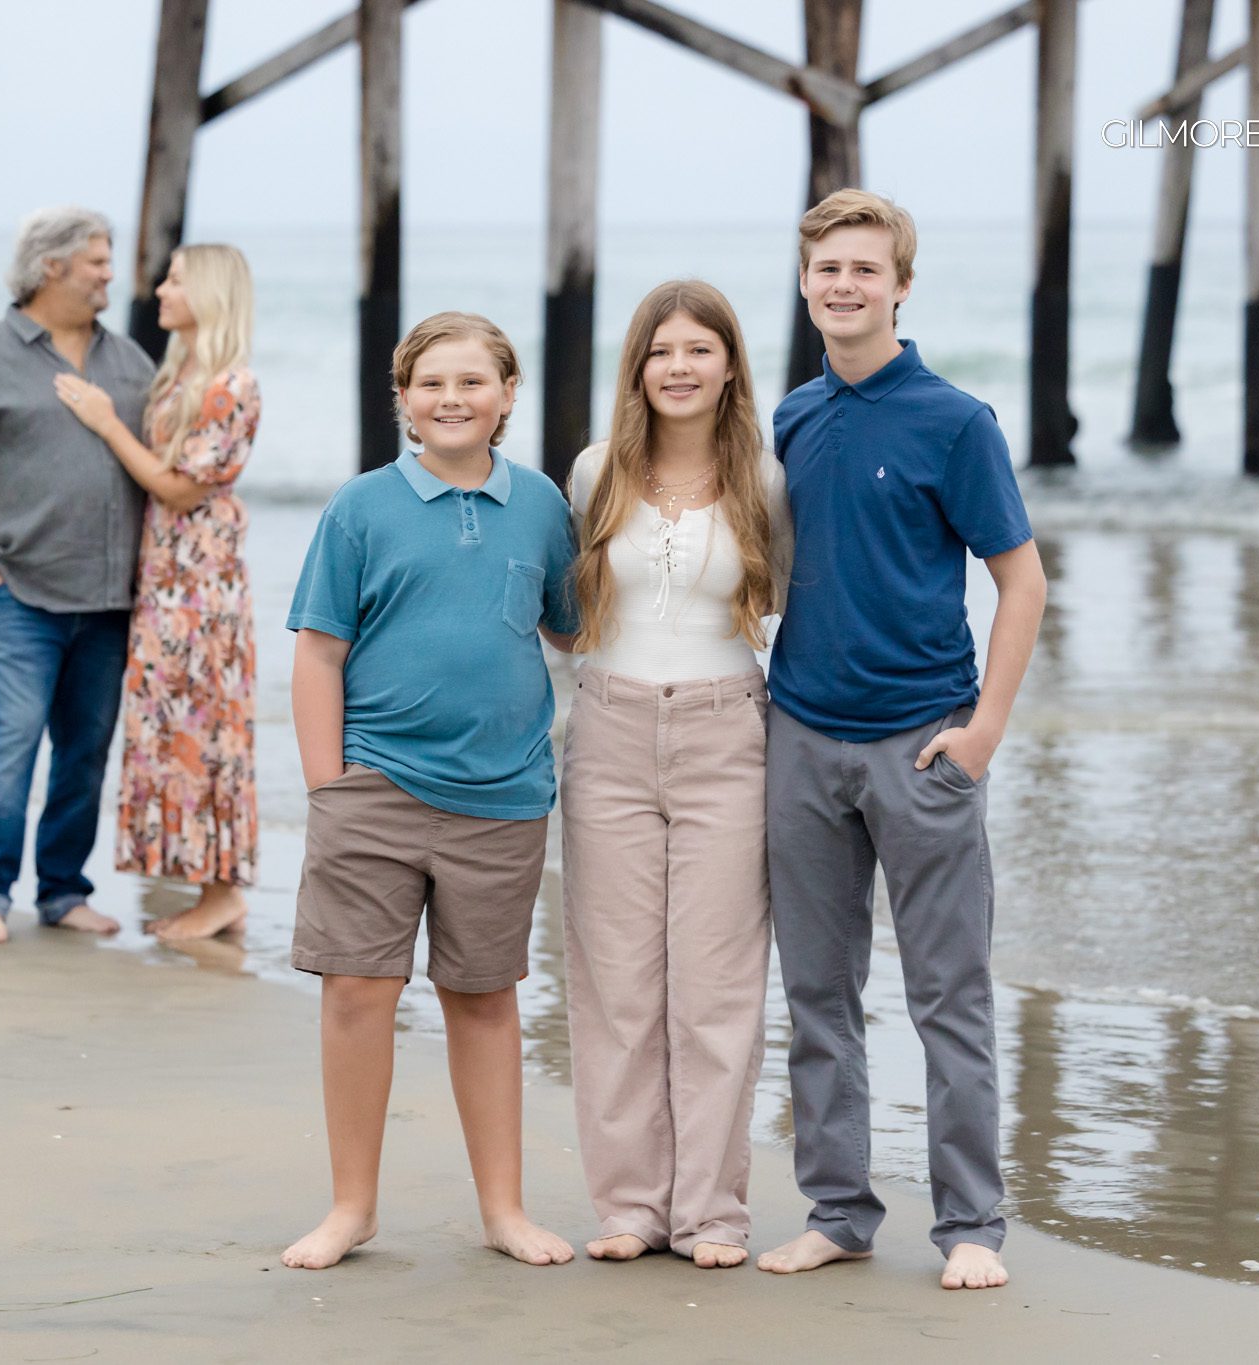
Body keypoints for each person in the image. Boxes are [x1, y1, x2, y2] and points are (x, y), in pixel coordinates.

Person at [756, 189, 1046, 1290]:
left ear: (898, 287)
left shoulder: (953, 421)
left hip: (922, 745)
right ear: (804, 282)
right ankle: (837, 1211)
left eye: (863, 271)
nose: (842, 286)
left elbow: (1018, 583)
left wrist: (981, 735)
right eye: (825, 268)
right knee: (817, 994)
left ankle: (970, 1225)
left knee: (947, 999)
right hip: (799, 740)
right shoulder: (788, 418)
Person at [281, 312, 578, 1271]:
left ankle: (504, 1208)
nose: (453, 399)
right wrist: (330, 786)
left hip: (504, 797)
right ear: (403, 399)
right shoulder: (360, 507)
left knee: (485, 999)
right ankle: (350, 1207)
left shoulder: (539, 504)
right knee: (358, 993)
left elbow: (572, 629)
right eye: (433, 383)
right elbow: (318, 653)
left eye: (473, 382)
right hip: (373, 785)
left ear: (506, 395)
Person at [560, 280, 790, 1269]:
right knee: (614, 987)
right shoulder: (594, 471)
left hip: (726, 734)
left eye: (700, 349)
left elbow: (788, 603)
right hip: (606, 735)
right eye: (662, 351)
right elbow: (562, 606)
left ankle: (709, 1213)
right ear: (637, 366)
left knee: (715, 987)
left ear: (729, 364)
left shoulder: (765, 482)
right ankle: (628, 1208)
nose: (680, 367)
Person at [0, 206, 157, 946]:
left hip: (111, 598)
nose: (110, 272)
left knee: (86, 750)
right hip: (16, 593)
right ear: (51, 266)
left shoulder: (130, 365)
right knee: (12, 736)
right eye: (97, 259)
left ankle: (62, 890)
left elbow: (156, 467)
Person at [55, 244, 262, 942]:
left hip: (201, 591)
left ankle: (223, 892)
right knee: (171, 728)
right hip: (165, 582)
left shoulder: (231, 385)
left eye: (175, 278)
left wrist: (106, 420)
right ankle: (207, 885)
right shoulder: (179, 377)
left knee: (205, 729)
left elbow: (179, 488)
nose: (160, 289)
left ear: (206, 291)